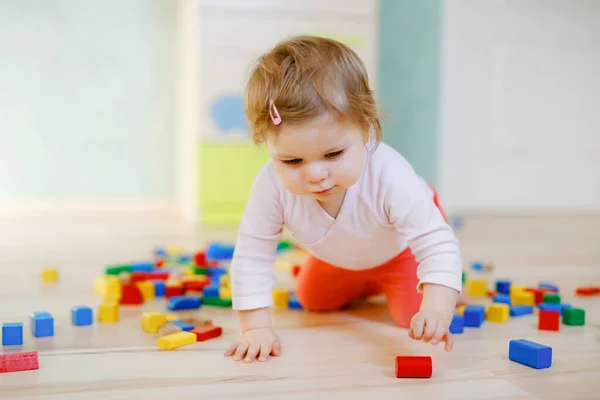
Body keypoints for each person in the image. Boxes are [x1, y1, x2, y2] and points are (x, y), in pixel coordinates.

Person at [224, 35, 462, 363]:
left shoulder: (390, 175)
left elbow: (436, 242)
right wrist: (255, 328)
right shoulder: (270, 186)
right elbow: (252, 253)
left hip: (398, 250)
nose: (315, 174)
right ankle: (366, 282)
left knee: (413, 317)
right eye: (292, 161)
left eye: (333, 154)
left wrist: (437, 308)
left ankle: (407, 282)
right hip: (339, 254)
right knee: (312, 300)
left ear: (366, 130)